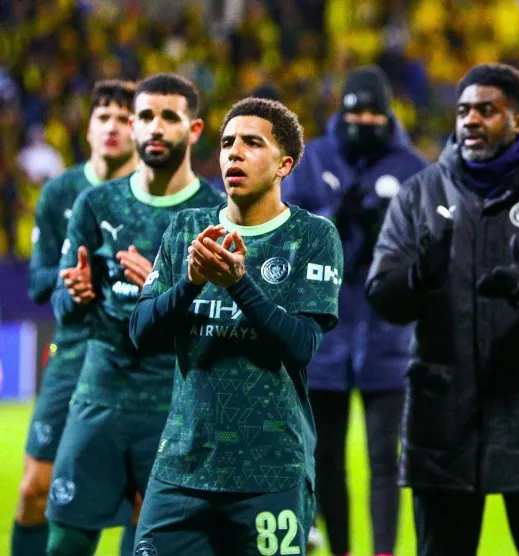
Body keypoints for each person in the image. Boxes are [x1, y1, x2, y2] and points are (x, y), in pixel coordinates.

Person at [366, 63, 519, 556]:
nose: (470, 120)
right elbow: (383, 294)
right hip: (444, 425)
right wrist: (419, 276)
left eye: (487, 110)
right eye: (464, 110)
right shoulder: (420, 194)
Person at [129, 97, 343, 555]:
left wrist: (240, 285)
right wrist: (189, 283)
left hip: (270, 471)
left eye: (251, 142)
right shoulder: (187, 229)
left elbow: (303, 345)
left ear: (284, 163)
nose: (234, 153)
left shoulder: (312, 236)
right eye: (227, 143)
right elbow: (141, 332)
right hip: (183, 468)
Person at [45, 73, 224, 556]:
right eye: (145, 116)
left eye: (170, 116)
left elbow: (225, 323)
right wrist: (76, 293)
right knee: (64, 541)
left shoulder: (214, 213)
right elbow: (64, 310)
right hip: (99, 394)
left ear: (194, 129)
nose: (155, 127)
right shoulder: (97, 203)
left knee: (160, 547)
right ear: (134, 126)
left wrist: (164, 290)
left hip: (176, 406)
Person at [282, 65, 426, 556]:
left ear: (387, 114)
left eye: (372, 112)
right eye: (354, 111)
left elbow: (427, 253)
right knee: (326, 460)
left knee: (386, 459)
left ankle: (382, 552)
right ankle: (342, 550)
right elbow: (288, 237)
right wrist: (330, 223)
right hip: (324, 335)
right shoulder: (310, 159)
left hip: (389, 338)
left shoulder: (409, 168)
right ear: (339, 111)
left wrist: (391, 235)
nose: (363, 120)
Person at [13, 79, 139, 556]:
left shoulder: (149, 193)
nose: (113, 127)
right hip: (71, 353)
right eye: (103, 116)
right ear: (87, 128)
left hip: (133, 358)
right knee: (34, 490)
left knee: (142, 498)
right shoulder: (60, 191)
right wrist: (72, 279)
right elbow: (38, 282)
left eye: (124, 118)